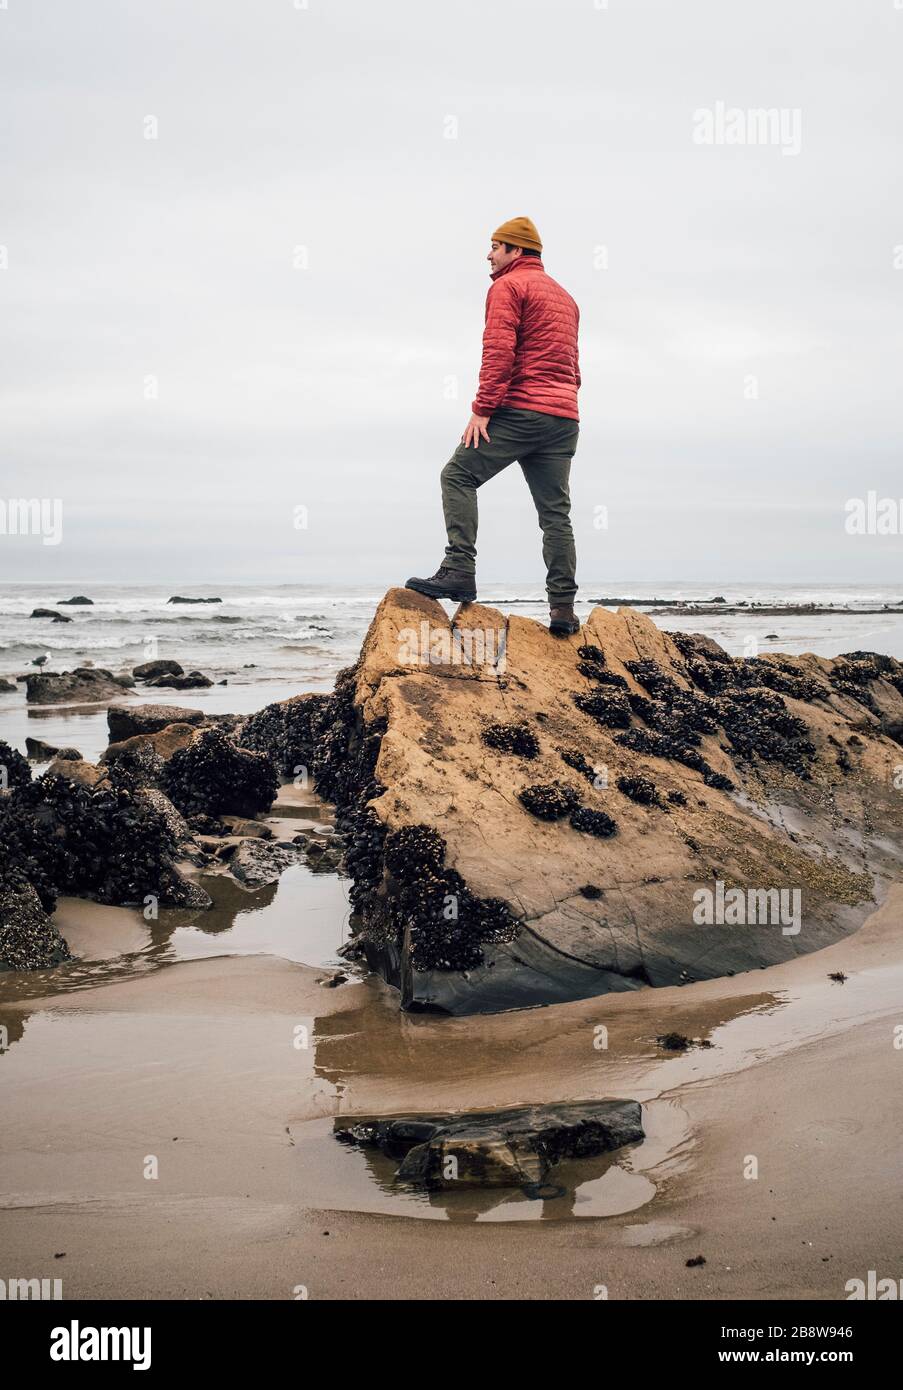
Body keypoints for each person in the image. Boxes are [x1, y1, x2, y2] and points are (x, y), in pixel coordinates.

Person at [405, 215, 582, 636]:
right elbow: (572, 365)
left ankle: (458, 570)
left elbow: (499, 351)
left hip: (521, 410)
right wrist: (564, 407)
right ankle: (562, 611)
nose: (488, 254)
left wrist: (482, 409)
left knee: (458, 475)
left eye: (495, 247)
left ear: (516, 251)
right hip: (564, 418)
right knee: (556, 515)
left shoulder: (507, 286)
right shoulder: (566, 296)